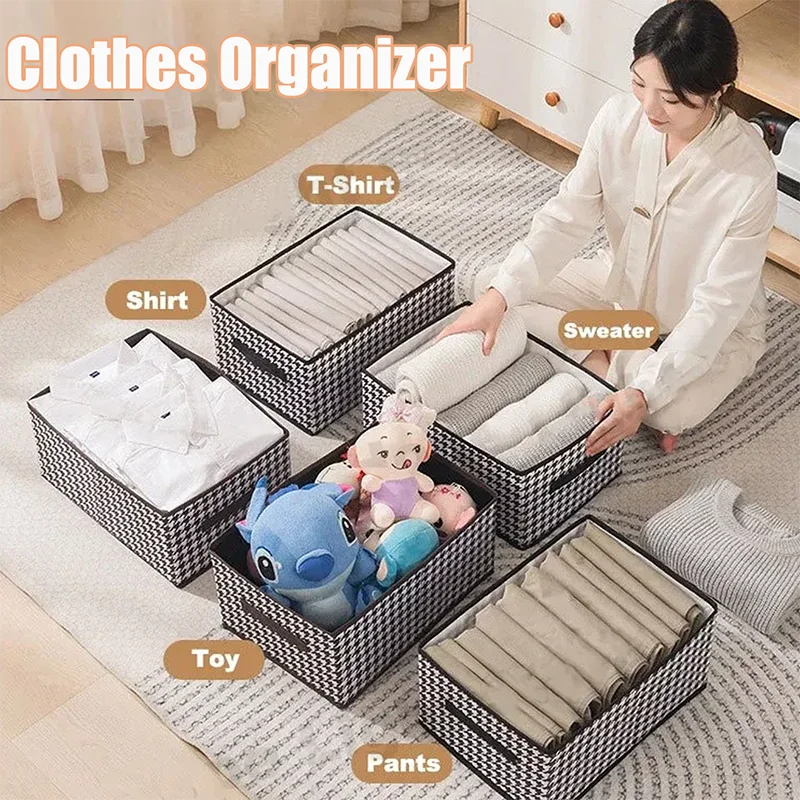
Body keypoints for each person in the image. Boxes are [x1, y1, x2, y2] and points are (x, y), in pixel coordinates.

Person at [439, 0, 777, 456]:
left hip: (708, 323)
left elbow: (718, 307)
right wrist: (499, 298)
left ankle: (610, 364)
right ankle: (608, 358)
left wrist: (645, 394)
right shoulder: (618, 119)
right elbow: (566, 218)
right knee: (490, 291)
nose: (650, 108)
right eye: (640, 84)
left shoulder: (749, 173)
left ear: (719, 90)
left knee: (664, 409)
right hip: (618, 290)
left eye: (672, 99)